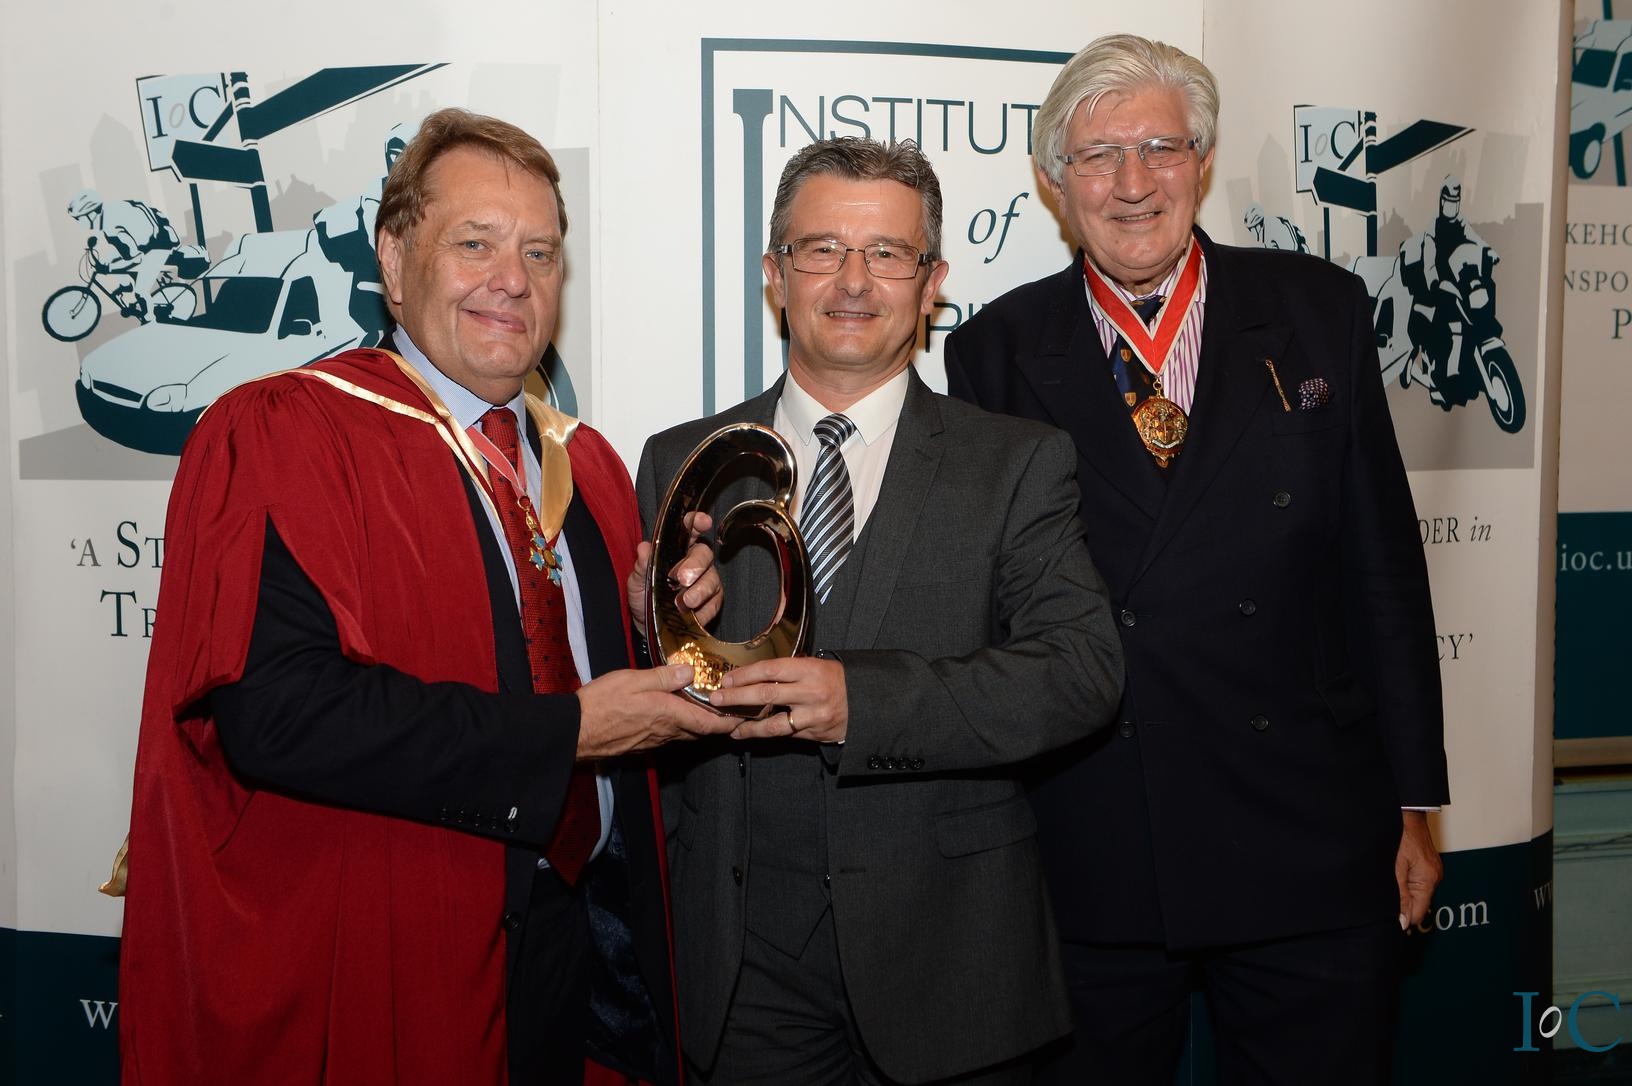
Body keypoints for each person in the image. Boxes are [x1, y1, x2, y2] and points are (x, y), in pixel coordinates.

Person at [119, 108, 732, 1086]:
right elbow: (275, 717)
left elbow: (599, 691)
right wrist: (568, 732)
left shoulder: (590, 467)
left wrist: (661, 630)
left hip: (584, 954)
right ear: (395, 263)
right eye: (475, 243)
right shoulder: (285, 434)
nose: (513, 279)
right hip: (390, 942)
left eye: (540, 252)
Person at [944, 34, 1449, 1086]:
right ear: (1054, 181)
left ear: (1203, 161)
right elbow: (985, 611)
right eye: (1099, 156)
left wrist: (1416, 797)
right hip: (1095, 838)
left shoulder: (1318, 310)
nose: (1133, 183)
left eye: (1161, 148)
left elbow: (1383, 567)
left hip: (1306, 829)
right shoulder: (993, 349)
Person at [636, 137, 1124, 1086]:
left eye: (888, 254)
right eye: (822, 249)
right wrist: (652, 623)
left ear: (932, 282)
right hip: (741, 973)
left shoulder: (1017, 462)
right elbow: (660, 703)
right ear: (775, 273)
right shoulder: (680, 459)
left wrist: (864, 704)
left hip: (952, 967)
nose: (854, 281)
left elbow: (1082, 673)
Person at [66, 188, 183, 319]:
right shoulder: (107, 216)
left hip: (160, 245)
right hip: (145, 243)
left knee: (141, 290)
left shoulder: (112, 225)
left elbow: (136, 258)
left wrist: (109, 268)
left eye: (79, 218)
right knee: (107, 260)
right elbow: (126, 251)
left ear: (92, 214)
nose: (79, 223)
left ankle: (149, 318)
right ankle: (126, 286)